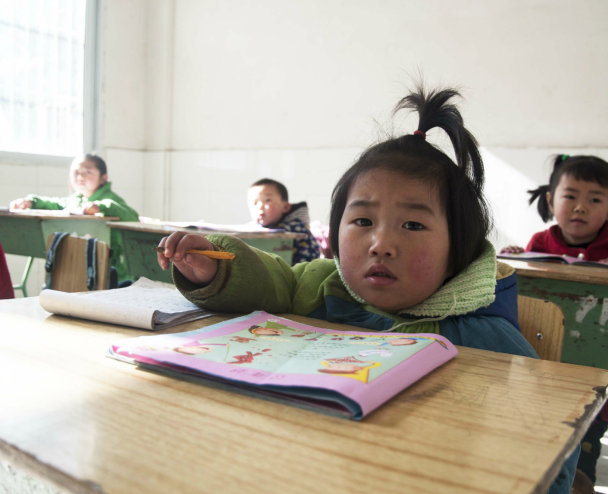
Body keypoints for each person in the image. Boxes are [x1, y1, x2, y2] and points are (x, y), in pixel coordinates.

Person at [157, 86, 578, 494]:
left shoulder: (487, 340)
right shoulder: (321, 285)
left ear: (458, 249)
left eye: (412, 225)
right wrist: (216, 270)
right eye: (362, 221)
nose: (381, 244)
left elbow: (545, 438)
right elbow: (273, 281)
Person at [501, 154, 608, 494]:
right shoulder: (540, 243)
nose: (580, 207)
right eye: (570, 196)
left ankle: (581, 479)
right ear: (551, 200)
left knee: (586, 432)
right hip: (550, 364)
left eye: (594, 199)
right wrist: (516, 258)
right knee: (539, 428)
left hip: (602, 367)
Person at [9, 154, 139, 283]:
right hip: (83, 266)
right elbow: (55, 204)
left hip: (111, 271)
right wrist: (31, 202)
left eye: (88, 172)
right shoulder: (76, 200)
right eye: (76, 172)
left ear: (103, 178)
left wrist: (101, 207)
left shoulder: (110, 199)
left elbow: (132, 216)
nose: (80, 177)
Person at [247, 178, 321, 264]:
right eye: (254, 202)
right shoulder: (247, 230)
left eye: (267, 200)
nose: (260, 206)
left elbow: (311, 257)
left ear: (285, 207)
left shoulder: (297, 229)